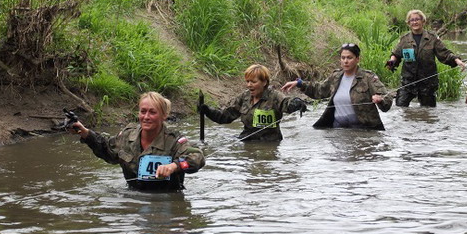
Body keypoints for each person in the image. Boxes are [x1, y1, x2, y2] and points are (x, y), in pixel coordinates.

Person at [70, 92, 205, 192]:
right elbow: (107, 151)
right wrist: (84, 132)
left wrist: (174, 166)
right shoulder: (128, 135)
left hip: (167, 200)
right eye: (143, 112)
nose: (146, 117)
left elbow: (198, 158)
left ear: (164, 116)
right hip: (134, 198)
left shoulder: (174, 140)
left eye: (152, 112)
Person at [282, 43, 393, 130]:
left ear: (357, 59)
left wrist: (380, 100)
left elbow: (387, 100)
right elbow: (319, 90)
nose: (345, 61)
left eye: (349, 58)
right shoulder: (335, 77)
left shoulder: (368, 77)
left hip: (364, 129)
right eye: (343, 58)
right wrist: (300, 84)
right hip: (338, 128)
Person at [198, 64, 308, 142]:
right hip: (246, 139)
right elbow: (225, 116)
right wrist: (207, 111)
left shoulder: (274, 96)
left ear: (264, 82)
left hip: (270, 143)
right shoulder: (244, 97)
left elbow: (286, 103)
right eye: (247, 81)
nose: (249, 85)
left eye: (253, 82)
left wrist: (296, 103)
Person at [385, 10, 465, 107]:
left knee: (428, 111)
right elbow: (396, 54)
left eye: (417, 19)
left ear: (423, 21)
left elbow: (444, 53)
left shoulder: (432, 38)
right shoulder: (405, 39)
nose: (415, 22)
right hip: (408, 80)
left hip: (428, 81)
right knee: (400, 107)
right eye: (412, 20)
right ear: (408, 23)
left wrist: (457, 60)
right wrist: (391, 62)